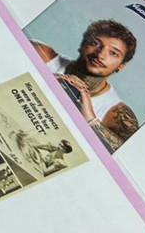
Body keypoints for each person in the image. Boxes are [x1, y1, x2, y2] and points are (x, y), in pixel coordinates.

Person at [32, 21, 138, 149]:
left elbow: (130, 154)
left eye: (113, 53)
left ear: (121, 66)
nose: (100, 55)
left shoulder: (114, 113)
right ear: (83, 44)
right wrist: (43, 78)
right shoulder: (41, 55)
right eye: (95, 43)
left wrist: (90, 120)